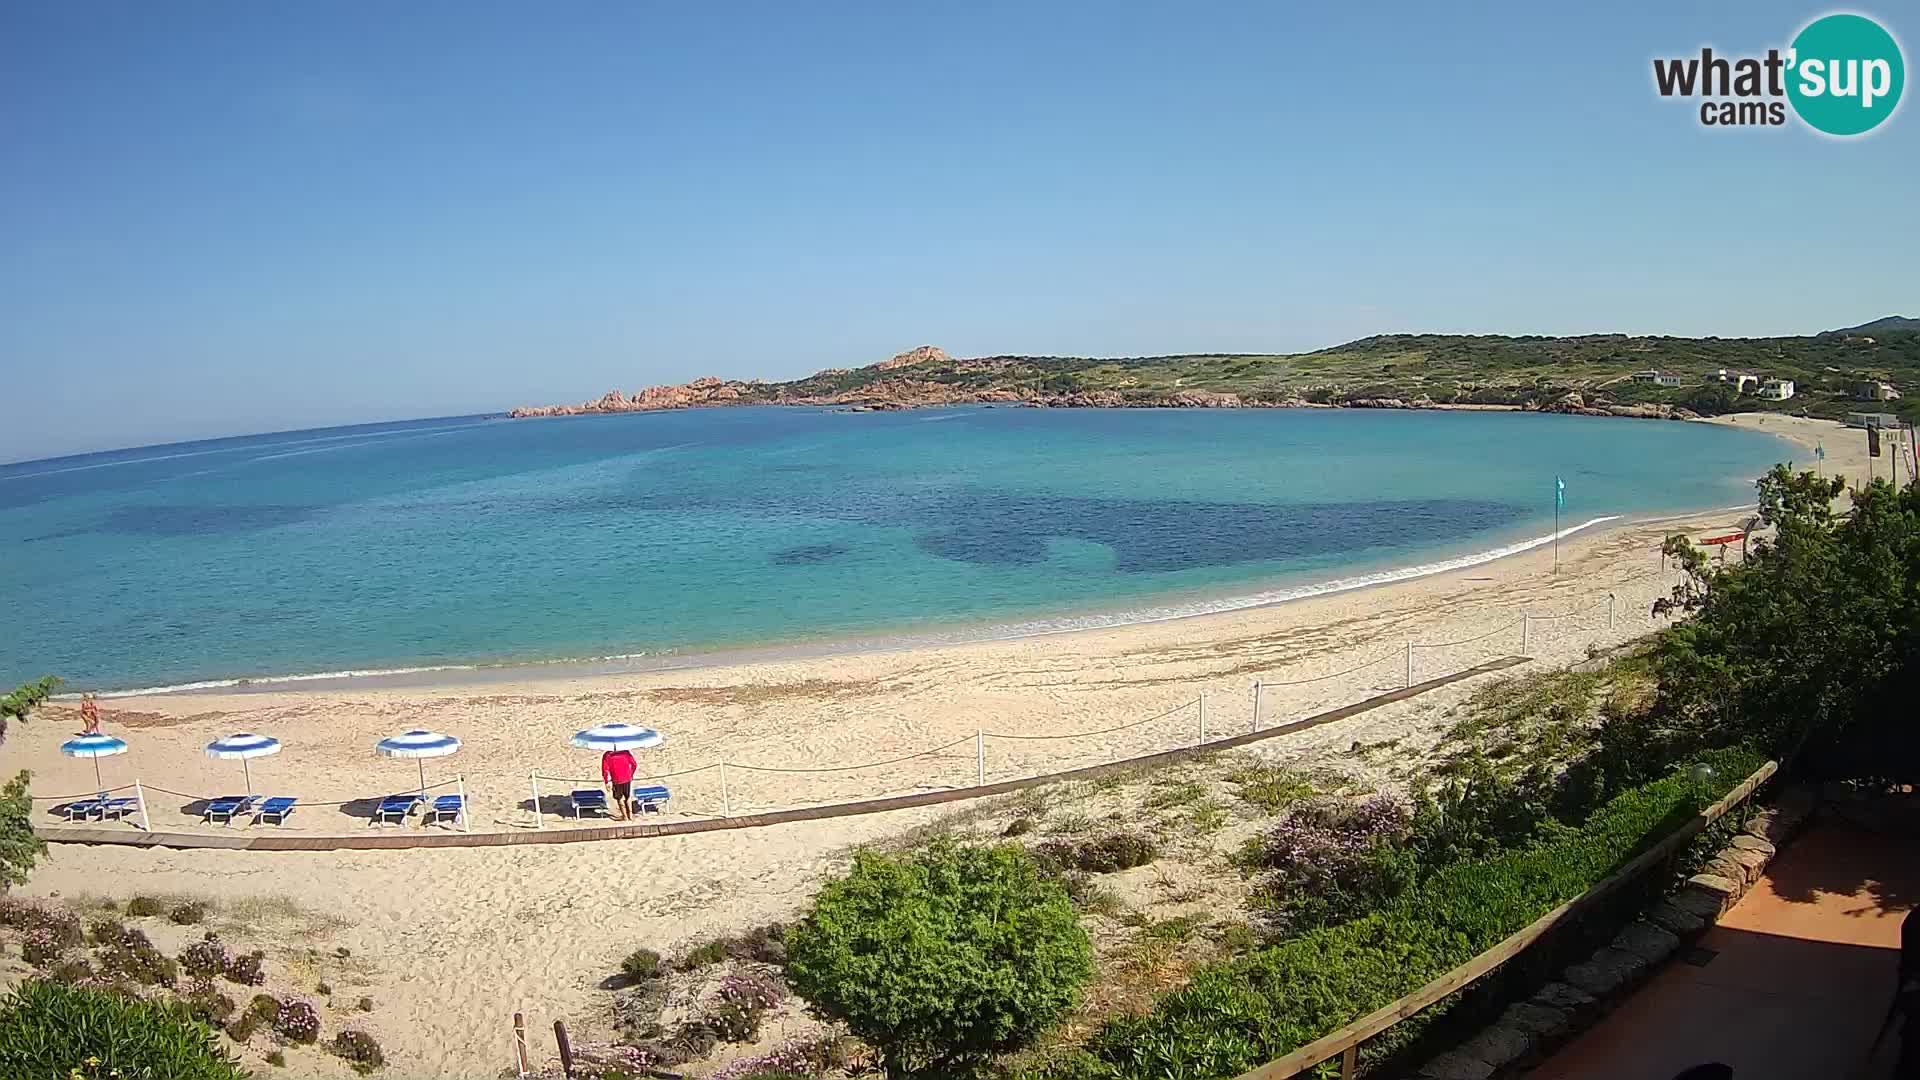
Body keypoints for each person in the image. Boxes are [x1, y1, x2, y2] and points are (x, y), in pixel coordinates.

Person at [601, 747, 639, 821]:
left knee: (619, 798)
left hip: (616, 779)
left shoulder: (607, 755)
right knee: (627, 796)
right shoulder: (625, 752)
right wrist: (631, 774)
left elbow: (605, 770)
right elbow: (634, 764)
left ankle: (625, 816)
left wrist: (606, 781)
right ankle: (630, 815)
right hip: (627, 777)